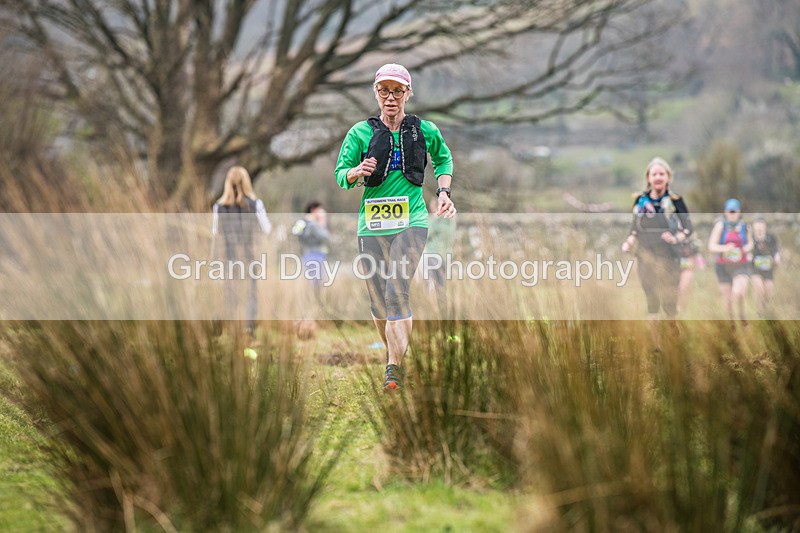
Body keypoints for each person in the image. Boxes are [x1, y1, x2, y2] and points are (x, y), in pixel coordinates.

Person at [334, 63, 455, 391]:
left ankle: (393, 368)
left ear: (408, 94)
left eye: (397, 91)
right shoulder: (359, 133)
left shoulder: (424, 130)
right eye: (384, 90)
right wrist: (357, 171)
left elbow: (443, 160)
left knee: (396, 291)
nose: (390, 97)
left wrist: (443, 191)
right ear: (376, 93)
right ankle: (395, 348)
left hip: (411, 222)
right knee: (378, 300)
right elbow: (340, 174)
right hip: (371, 225)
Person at [621, 157, 693, 319]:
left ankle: (672, 336)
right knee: (652, 300)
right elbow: (635, 226)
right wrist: (629, 240)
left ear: (668, 177)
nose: (658, 177)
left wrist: (676, 238)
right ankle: (655, 342)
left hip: (670, 255)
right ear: (648, 178)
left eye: (662, 174)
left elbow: (688, 228)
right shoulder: (640, 200)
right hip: (645, 254)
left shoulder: (676, 201)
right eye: (654, 174)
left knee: (669, 302)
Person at [212, 166, 272, 334]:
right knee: (251, 293)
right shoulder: (256, 204)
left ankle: (232, 328)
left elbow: (215, 232)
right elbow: (267, 228)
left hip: (229, 257)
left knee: (230, 292)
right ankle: (249, 329)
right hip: (249, 256)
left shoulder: (219, 206)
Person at [707, 198, 752, 323]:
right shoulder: (720, 226)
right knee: (727, 299)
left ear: (739, 212)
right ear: (725, 212)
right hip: (723, 266)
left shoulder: (745, 226)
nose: (732, 214)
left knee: (738, 292)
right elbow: (711, 246)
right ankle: (731, 324)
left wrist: (746, 249)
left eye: (735, 211)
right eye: (730, 211)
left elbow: (750, 243)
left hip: (741, 266)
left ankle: (743, 318)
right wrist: (725, 248)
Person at [423, 195, 457, 317]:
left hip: (433, 256)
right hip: (446, 257)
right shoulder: (451, 220)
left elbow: (425, 235)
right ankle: (443, 311)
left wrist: (433, 217)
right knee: (441, 287)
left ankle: (429, 311)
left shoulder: (435, 219)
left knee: (429, 284)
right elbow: (452, 237)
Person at [292, 201, 331, 301]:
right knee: (314, 284)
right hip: (313, 255)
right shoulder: (311, 224)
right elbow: (325, 236)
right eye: (319, 210)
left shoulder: (307, 222)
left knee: (314, 283)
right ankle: (314, 303)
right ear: (313, 210)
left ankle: (313, 303)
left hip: (312, 254)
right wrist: (321, 223)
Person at [750, 217, 780, 317]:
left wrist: (777, 257)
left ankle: (765, 309)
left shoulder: (771, 238)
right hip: (755, 269)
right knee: (759, 289)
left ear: (765, 226)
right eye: (757, 224)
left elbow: (777, 250)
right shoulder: (750, 238)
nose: (759, 227)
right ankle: (758, 313)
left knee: (768, 291)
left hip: (768, 269)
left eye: (761, 224)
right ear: (753, 226)